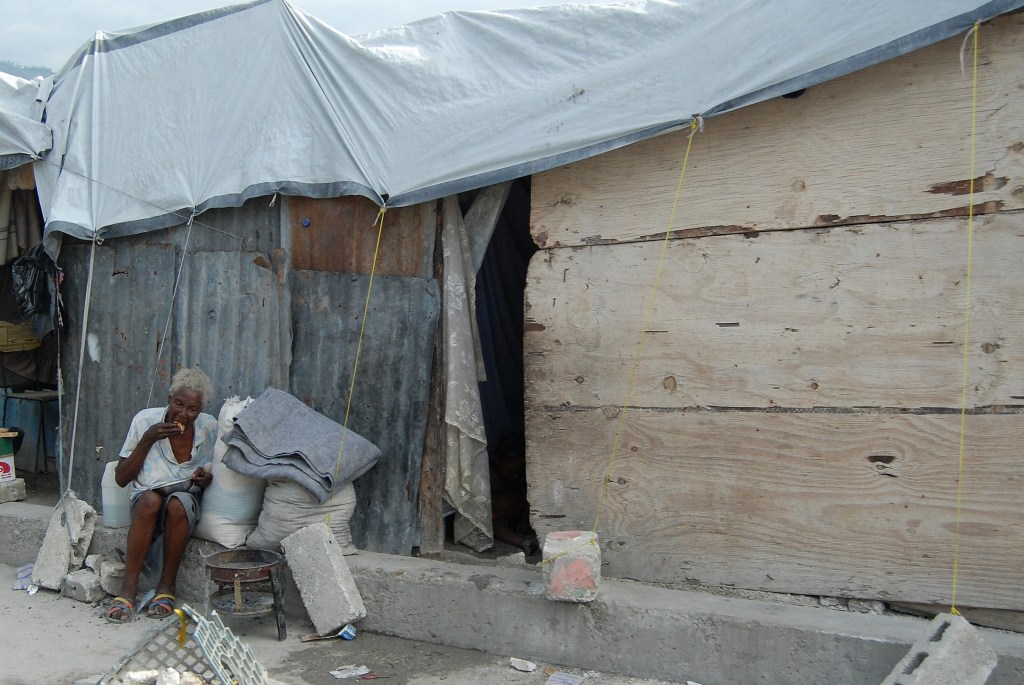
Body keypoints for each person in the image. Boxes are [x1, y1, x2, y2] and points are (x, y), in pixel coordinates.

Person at [105, 366, 217, 622]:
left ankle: (167, 588)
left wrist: (205, 478)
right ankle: (128, 590)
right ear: (169, 399)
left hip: (185, 500)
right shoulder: (145, 420)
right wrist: (148, 439)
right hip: (147, 498)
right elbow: (122, 478)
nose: (184, 414)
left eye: (192, 409)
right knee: (150, 499)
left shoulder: (209, 427)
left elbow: (213, 472)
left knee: (179, 503)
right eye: (179, 404)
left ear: (199, 411)